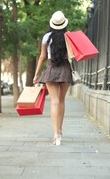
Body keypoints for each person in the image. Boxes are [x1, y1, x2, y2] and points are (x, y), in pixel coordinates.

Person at [33, 11, 73, 146]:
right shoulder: (69, 37)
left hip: (51, 67)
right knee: (61, 100)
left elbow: (42, 57)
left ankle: (56, 134)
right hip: (65, 68)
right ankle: (60, 131)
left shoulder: (46, 37)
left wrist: (36, 74)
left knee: (54, 101)